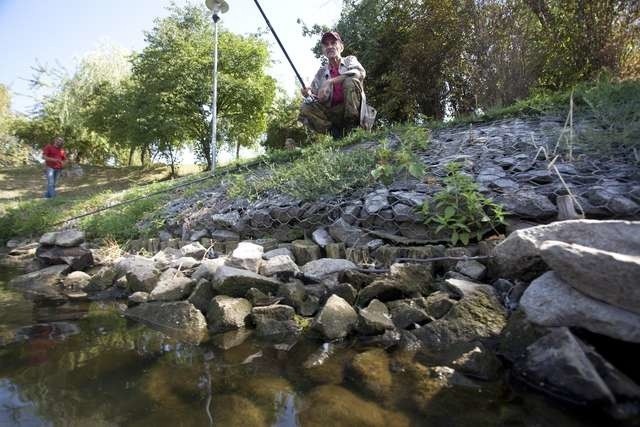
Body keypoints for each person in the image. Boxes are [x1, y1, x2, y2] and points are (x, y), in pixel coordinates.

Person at [299, 31, 375, 139]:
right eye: (326, 44)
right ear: (323, 51)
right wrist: (307, 93)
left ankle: (353, 128)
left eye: (333, 43)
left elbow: (358, 73)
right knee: (305, 106)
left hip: (353, 111)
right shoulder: (321, 72)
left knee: (350, 81)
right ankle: (335, 134)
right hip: (333, 114)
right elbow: (312, 94)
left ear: (341, 47)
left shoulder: (350, 60)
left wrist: (330, 81)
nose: (330, 46)